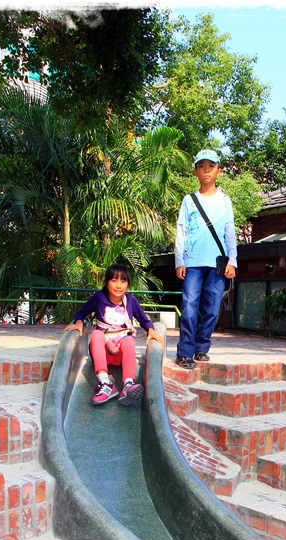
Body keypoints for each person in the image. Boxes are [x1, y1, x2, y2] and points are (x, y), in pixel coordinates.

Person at [64, 263, 163, 406]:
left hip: (120, 355)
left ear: (128, 284)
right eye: (114, 280)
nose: (118, 285)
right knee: (97, 334)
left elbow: (144, 320)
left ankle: (128, 385)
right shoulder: (99, 298)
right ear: (106, 282)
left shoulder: (131, 301)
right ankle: (105, 384)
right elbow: (81, 312)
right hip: (102, 352)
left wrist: (151, 330)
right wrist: (79, 322)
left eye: (123, 281)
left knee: (129, 340)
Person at [174, 148, 237, 369]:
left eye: (211, 166)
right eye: (201, 166)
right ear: (195, 172)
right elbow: (181, 232)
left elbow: (230, 232)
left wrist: (233, 261)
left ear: (219, 171)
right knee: (189, 307)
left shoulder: (225, 201)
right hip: (192, 263)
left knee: (211, 309)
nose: (206, 170)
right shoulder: (189, 200)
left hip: (217, 263)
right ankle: (184, 352)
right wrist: (179, 261)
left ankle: (201, 348)